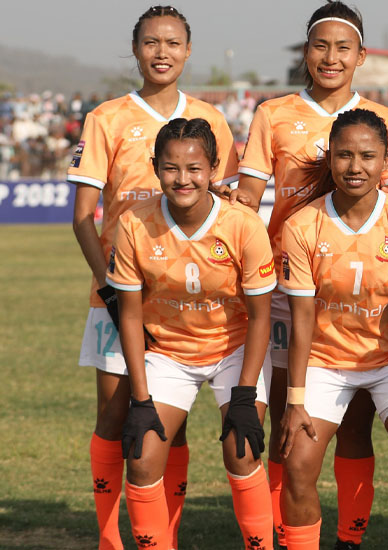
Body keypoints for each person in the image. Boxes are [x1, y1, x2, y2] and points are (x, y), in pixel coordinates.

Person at [230, 3, 388, 545]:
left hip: (361, 292)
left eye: (342, 48)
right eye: (320, 46)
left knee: (355, 425)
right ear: (306, 51)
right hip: (288, 290)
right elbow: (248, 199)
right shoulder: (273, 113)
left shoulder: (384, 119)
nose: (330, 57)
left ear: (361, 55)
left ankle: (350, 536)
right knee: (289, 421)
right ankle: (282, 534)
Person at [68, 6, 238, 548]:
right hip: (118, 297)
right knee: (115, 416)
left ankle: (165, 535)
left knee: (169, 424)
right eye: (151, 42)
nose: (161, 52)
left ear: (188, 51)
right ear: (136, 48)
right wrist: (110, 287)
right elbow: (83, 216)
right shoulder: (106, 118)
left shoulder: (210, 119)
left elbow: (227, 207)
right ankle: (108, 538)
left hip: (183, 302)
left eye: (172, 43)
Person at [106, 118, 274, 550]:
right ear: (155, 168)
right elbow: (129, 316)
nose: (183, 179)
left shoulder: (243, 224)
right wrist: (140, 399)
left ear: (214, 169)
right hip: (168, 353)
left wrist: (244, 395)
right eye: (171, 168)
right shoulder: (133, 224)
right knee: (141, 459)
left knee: (242, 450)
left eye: (194, 168)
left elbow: (260, 317)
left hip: (235, 349)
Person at [276, 109, 388, 550]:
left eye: (368, 156)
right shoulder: (301, 225)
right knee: (296, 463)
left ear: (386, 161)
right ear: (330, 157)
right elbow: (301, 322)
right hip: (325, 361)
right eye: (344, 155)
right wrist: (295, 401)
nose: (355, 166)